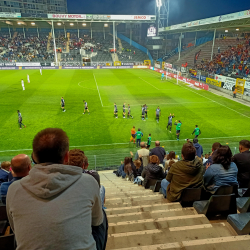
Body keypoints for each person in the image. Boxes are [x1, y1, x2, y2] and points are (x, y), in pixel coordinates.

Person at [6, 128, 105, 250]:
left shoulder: (14, 189)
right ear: (66, 157)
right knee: (102, 215)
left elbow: (15, 228)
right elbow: (97, 222)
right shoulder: (88, 181)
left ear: (34, 157)